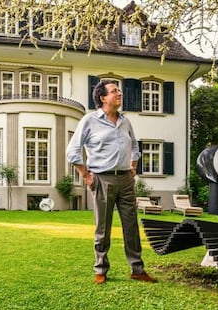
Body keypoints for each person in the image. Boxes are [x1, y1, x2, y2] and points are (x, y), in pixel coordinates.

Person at [66, 79, 157, 284]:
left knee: (131, 226)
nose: (119, 94)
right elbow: (72, 152)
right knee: (103, 228)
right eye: (114, 91)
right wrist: (86, 175)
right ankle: (101, 269)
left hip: (125, 180)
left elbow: (134, 147)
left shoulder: (125, 121)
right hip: (101, 179)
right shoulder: (89, 121)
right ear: (103, 98)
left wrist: (133, 167)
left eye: (119, 91)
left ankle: (137, 269)